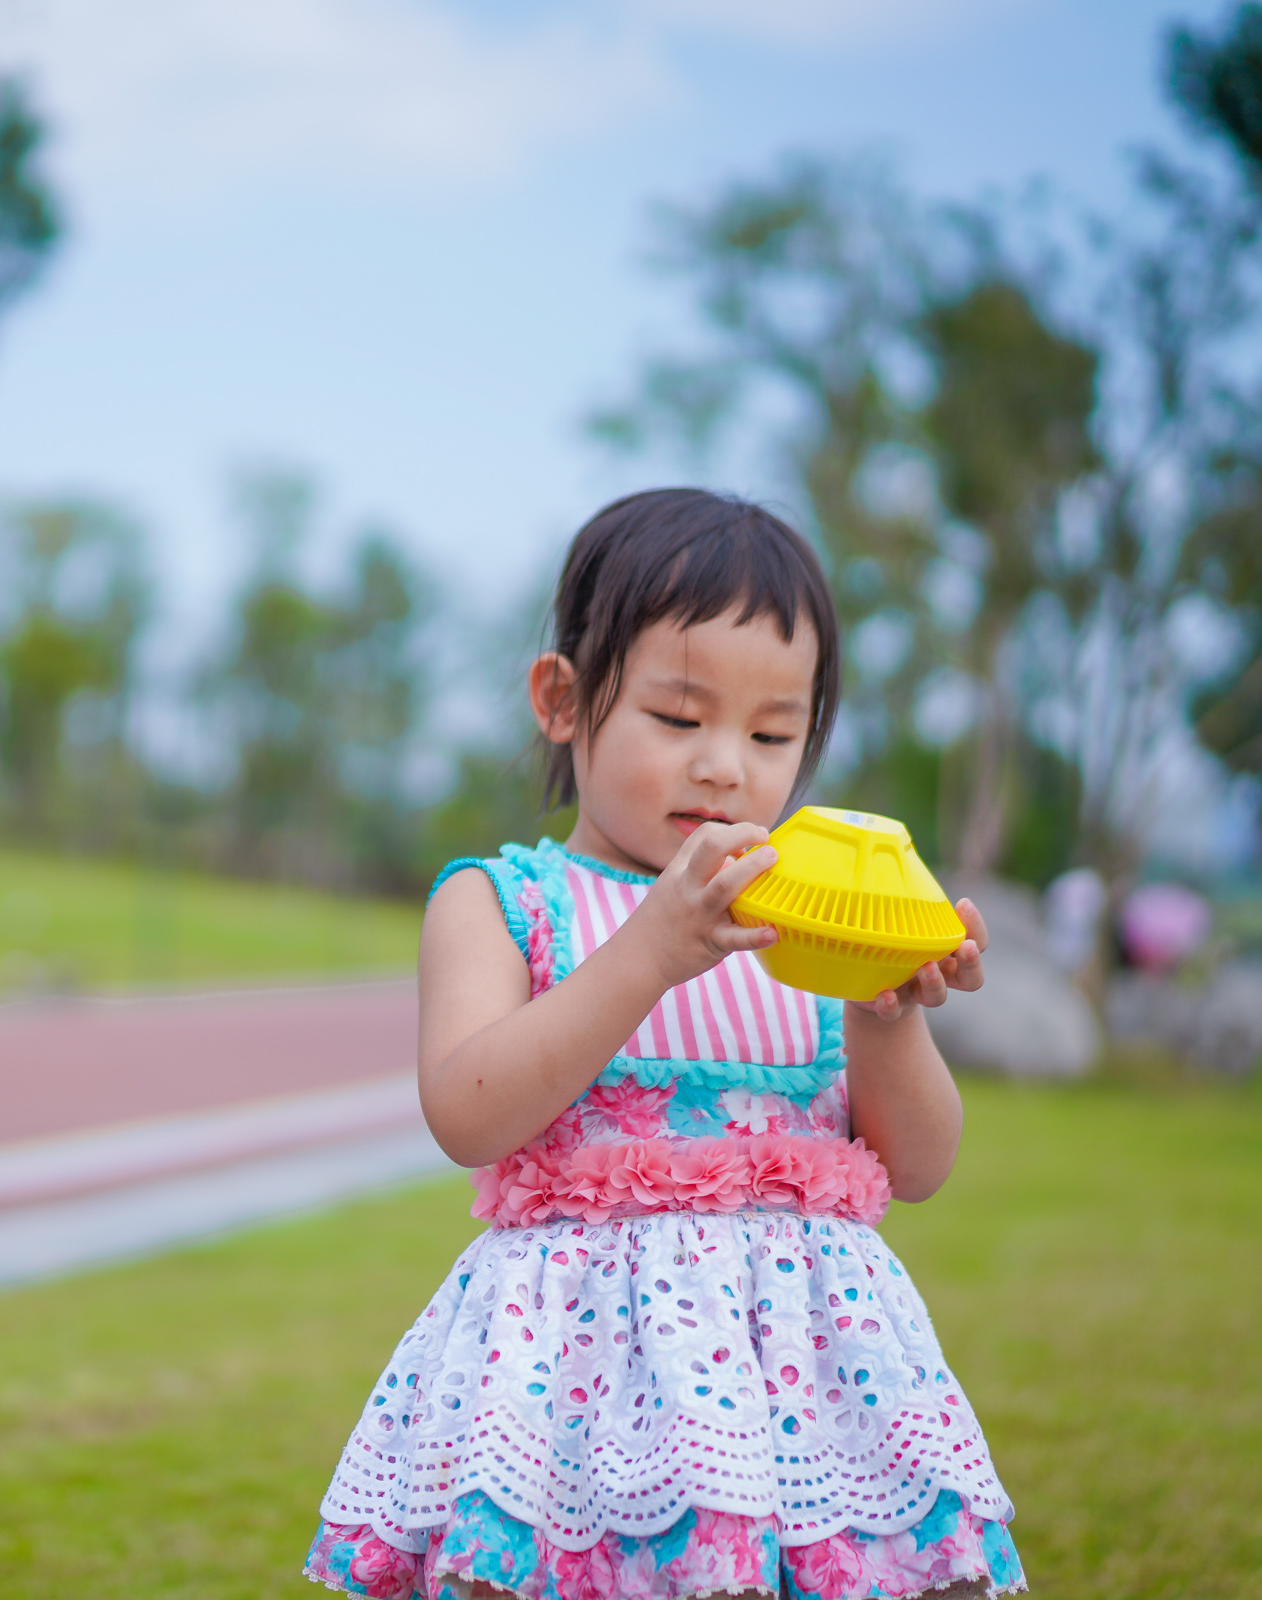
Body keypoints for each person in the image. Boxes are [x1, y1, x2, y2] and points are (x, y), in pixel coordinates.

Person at [306, 490, 1022, 1600]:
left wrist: (887, 1009)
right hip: (578, 1380)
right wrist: (648, 951)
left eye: (772, 735)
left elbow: (917, 1167)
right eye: (680, 718)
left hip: (803, 1380)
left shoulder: (806, 924)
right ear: (564, 699)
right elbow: (468, 1111)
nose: (727, 766)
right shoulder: (505, 903)